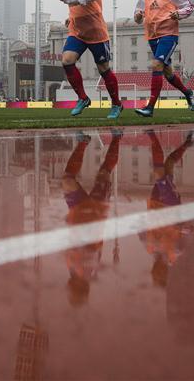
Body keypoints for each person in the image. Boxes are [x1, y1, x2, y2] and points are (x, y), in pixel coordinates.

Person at [57, 0, 123, 119]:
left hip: (95, 32)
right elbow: (76, 4)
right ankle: (83, 98)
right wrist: (70, 17)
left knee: (103, 69)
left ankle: (116, 104)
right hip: (77, 31)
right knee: (67, 61)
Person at [62, 129, 122, 306]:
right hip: (93, 213)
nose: (68, 289)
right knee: (103, 172)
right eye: (71, 293)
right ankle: (117, 137)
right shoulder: (85, 270)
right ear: (78, 288)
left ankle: (84, 141)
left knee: (69, 179)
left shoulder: (76, 271)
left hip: (80, 213)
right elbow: (89, 250)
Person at [132, 0, 194, 117]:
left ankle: (150, 108)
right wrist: (138, 15)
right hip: (152, 37)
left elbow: (189, 6)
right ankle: (187, 93)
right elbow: (137, 17)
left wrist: (179, 14)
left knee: (156, 65)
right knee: (167, 73)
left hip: (169, 35)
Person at [139, 129, 194, 286]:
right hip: (170, 205)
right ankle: (152, 133)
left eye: (155, 274)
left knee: (169, 163)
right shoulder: (175, 252)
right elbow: (191, 232)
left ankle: (188, 142)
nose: (157, 271)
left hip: (154, 202)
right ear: (165, 272)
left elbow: (140, 229)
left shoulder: (149, 248)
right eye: (160, 274)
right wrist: (184, 229)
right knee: (159, 172)